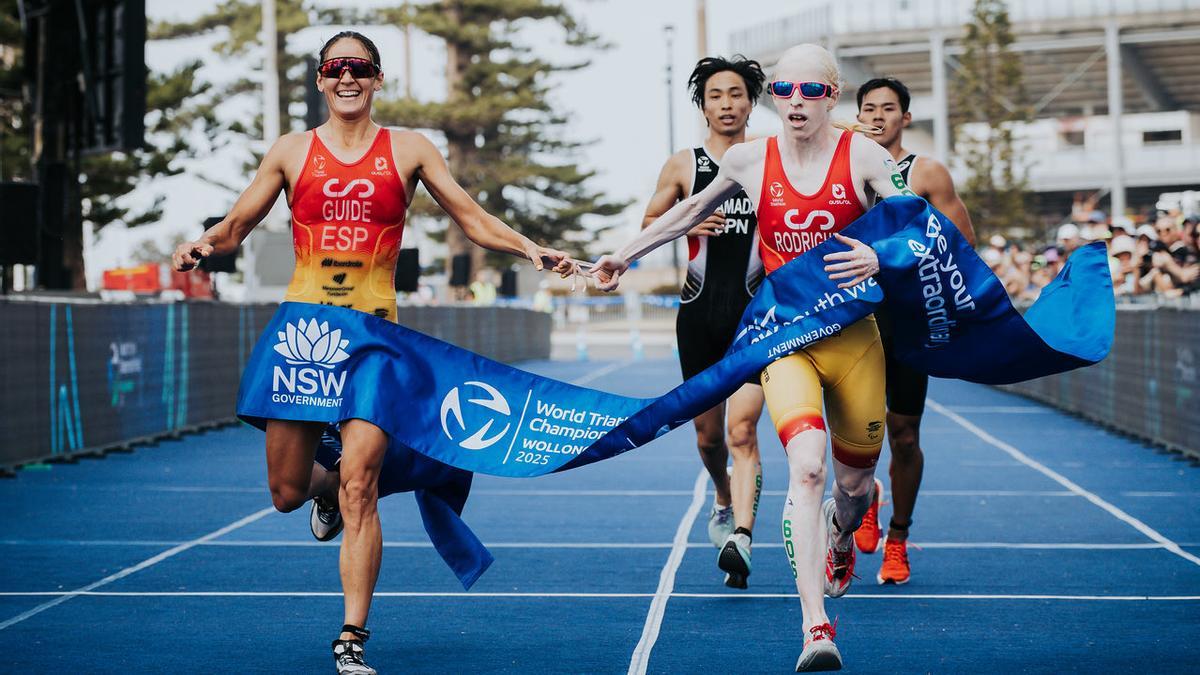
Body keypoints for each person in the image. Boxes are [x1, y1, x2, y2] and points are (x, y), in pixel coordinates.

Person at [170, 31, 573, 675]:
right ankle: (325, 492)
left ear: (377, 78)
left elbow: (471, 218)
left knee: (363, 483)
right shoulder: (291, 150)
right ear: (321, 79)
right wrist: (202, 244)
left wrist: (530, 248)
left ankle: (351, 637)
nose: (347, 77)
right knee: (286, 491)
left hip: (375, 340)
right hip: (304, 337)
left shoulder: (409, 149)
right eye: (335, 67)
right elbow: (237, 225)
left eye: (359, 67)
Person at [592, 43, 917, 672]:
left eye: (811, 91)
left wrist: (881, 254)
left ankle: (845, 527)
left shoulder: (864, 156)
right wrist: (623, 256)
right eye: (785, 90)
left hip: (854, 341)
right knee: (807, 468)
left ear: (832, 95)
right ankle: (815, 627)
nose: (796, 101)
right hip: (783, 338)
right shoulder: (748, 159)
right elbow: (689, 210)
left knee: (851, 488)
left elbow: (916, 220)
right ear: (774, 96)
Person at [641, 55, 767, 588]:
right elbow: (649, 224)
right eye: (716, 95)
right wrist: (687, 222)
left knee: (743, 430)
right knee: (709, 438)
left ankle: (742, 535)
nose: (727, 104)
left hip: (755, 317)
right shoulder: (683, 165)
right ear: (704, 106)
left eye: (736, 94)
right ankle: (722, 494)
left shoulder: (770, 159)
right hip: (698, 315)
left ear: (751, 103)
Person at [854, 76, 976, 584]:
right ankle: (863, 495)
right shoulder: (841, 170)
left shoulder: (926, 172)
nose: (877, 117)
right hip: (853, 319)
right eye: (868, 109)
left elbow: (963, 244)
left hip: (907, 319)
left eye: (888, 108)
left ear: (905, 118)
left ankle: (898, 538)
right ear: (857, 116)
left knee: (903, 436)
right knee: (857, 434)